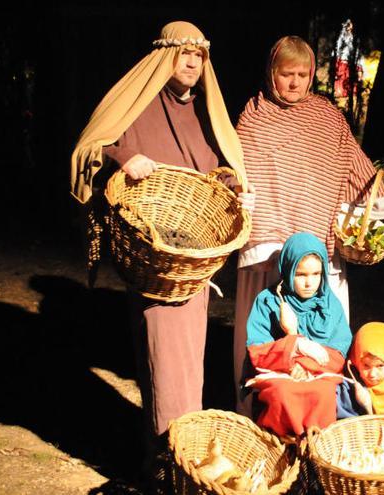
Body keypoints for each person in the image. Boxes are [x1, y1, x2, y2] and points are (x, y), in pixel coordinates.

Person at [69, 20, 253, 491]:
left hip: (193, 257)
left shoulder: (203, 113)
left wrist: (235, 187)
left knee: (189, 360)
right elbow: (97, 141)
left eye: (199, 56)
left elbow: (218, 165)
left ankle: (182, 458)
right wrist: (125, 156)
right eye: (184, 54)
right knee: (161, 356)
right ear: (164, 56)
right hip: (153, 256)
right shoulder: (139, 104)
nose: (192, 64)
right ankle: (164, 460)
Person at [233, 35, 384, 416]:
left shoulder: (326, 115)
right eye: (286, 74)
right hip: (269, 243)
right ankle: (256, 411)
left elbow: (357, 166)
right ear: (270, 73)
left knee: (326, 327)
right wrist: (234, 195)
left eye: (302, 74)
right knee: (264, 324)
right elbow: (235, 169)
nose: (294, 83)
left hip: (316, 248)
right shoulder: (255, 113)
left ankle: (326, 407)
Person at [244, 232, 352, 438]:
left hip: (320, 374)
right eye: (301, 274)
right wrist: (294, 348)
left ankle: (315, 447)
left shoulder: (330, 304)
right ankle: (283, 446)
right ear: (287, 269)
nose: (309, 282)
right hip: (281, 374)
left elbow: (339, 352)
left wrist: (305, 366)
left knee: (323, 394)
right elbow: (257, 350)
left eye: (316, 274)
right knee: (282, 393)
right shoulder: (268, 301)